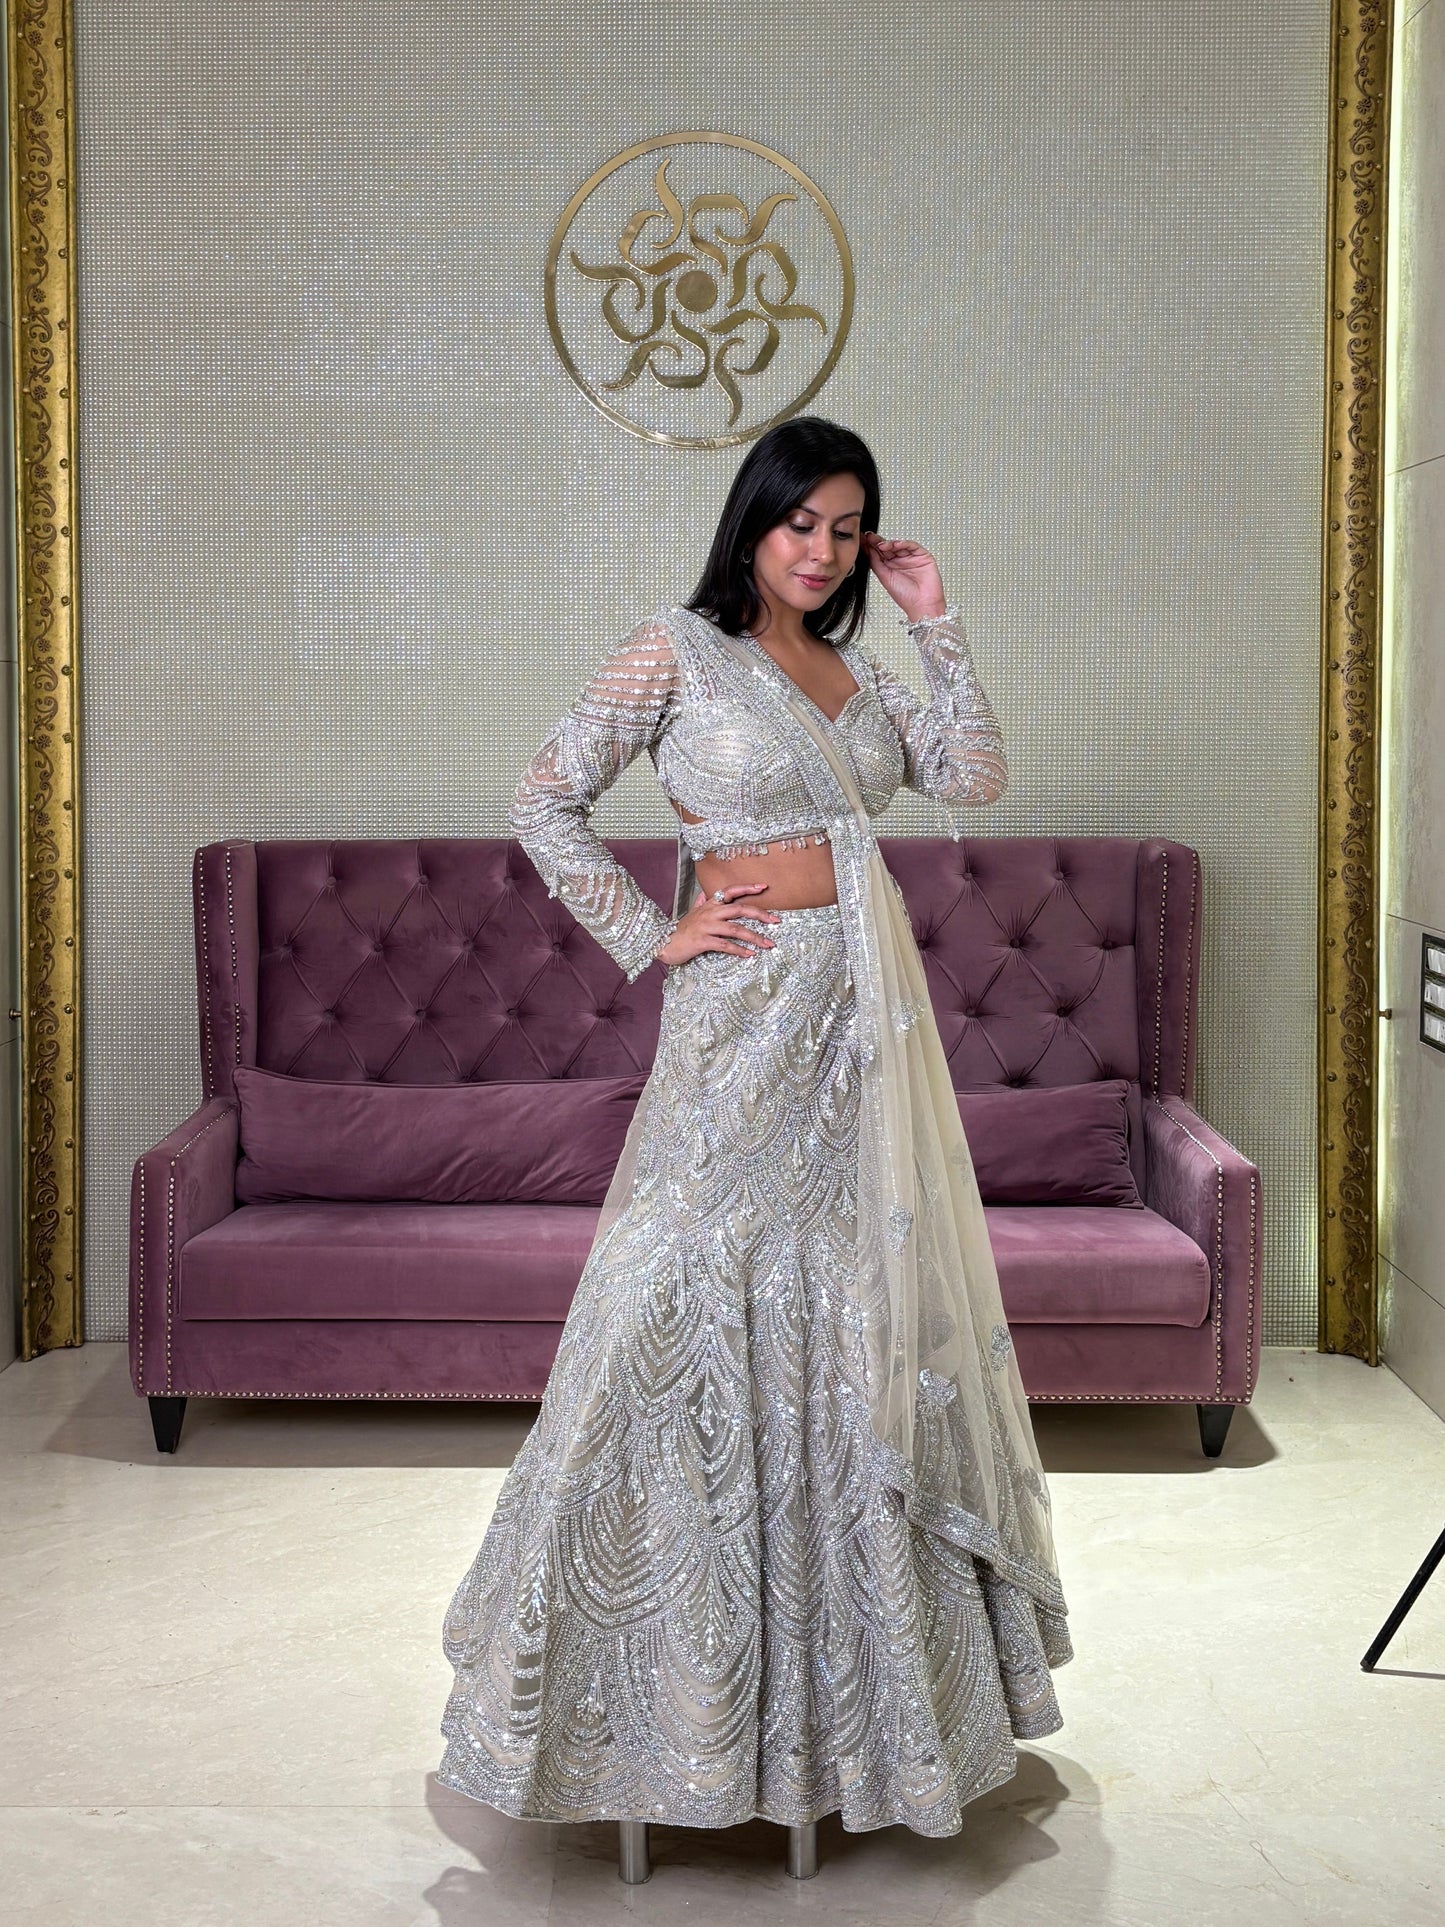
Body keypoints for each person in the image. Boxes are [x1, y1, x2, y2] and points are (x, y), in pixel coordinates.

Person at [438, 415, 1071, 1875]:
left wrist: (938, 626)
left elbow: (970, 778)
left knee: (842, 1313)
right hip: (740, 1015)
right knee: (681, 1299)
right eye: (802, 522)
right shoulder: (673, 647)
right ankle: (639, 1702)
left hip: (858, 1027)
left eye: (848, 529)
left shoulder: (859, 675)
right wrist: (654, 935)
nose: (822, 549)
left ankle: (859, 1714)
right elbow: (541, 795)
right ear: (752, 522)